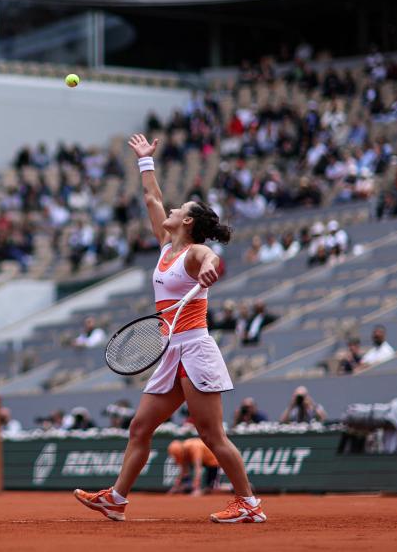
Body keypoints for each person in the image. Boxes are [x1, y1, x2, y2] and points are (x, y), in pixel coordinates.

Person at [74, 134, 266, 524]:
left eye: (180, 209)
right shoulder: (166, 245)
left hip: (195, 350)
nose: (171, 209)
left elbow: (209, 256)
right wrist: (146, 162)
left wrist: (213, 265)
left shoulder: (195, 253)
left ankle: (248, 503)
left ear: (188, 222)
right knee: (139, 428)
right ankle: (115, 498)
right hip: (170, 351)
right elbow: (152, 198)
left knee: (212, 436)